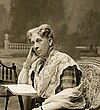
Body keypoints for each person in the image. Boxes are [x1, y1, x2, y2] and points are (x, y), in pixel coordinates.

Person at [18, 24, 86, 110]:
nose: (35, 46)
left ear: (50, 41)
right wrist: (27, 65)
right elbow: (22, 87)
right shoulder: (37, 64)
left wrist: (41, 109)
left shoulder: (64, 61)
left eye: (39, 41)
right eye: (33, 43)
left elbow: (68, 96)